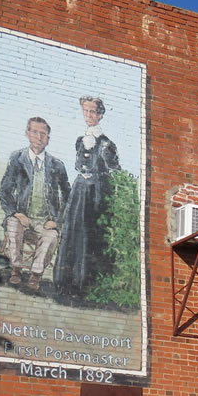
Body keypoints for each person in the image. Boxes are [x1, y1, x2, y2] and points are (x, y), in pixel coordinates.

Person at [54, 97, 121, 300]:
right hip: (79, 191)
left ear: (100, 114)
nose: (89, 116)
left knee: (88, 235)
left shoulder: (106, 144)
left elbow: (115, 170)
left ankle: (83, 284)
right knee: (72, 233)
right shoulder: (79, 141)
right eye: (86, 112)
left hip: (96, 193)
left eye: (93, 112)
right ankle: (65, 282)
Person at [0, 117, 70, 290]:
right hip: (23, 217)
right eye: (35, 132)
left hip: (45, 220)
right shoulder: (17, 158)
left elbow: (68, 197)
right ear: (27, 133)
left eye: (43, 134)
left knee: (52, 236)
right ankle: (16, 269)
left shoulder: (57, 165)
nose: (39, 137)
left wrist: (57, 221)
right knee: (13, 224)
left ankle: (35, 275)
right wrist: (16, 213)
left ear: (48, 138)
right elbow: (4, 191)